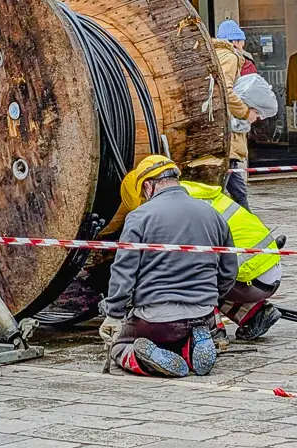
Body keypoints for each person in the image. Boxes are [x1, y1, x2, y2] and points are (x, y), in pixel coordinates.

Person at [99, 155, 237, 377]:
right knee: (177, 335)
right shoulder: (212, 214)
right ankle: (192, 346)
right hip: (203, 313)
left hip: (156, 318)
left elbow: (124, 270)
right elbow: (230, 270)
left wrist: (114, 313)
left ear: (147, 186)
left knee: (120, 345)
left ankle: (144, 358)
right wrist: (209, 299)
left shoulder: (139, 217)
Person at [181, 181, 282, 344]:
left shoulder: (186, 207)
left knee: (189, 276)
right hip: (266, 270)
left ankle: (214, 330)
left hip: (251, 274)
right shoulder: (203, 197)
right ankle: (254, 313)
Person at [214, 19, 259, 210]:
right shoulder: (230, 57)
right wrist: (246, 112)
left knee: (228, 191)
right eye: (242, 41)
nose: (243, 46)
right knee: (237, 194)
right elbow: (227, 91)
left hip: (219, 133)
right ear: (235, 42)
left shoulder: (215, 55)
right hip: (228, 136)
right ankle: (255, 237)